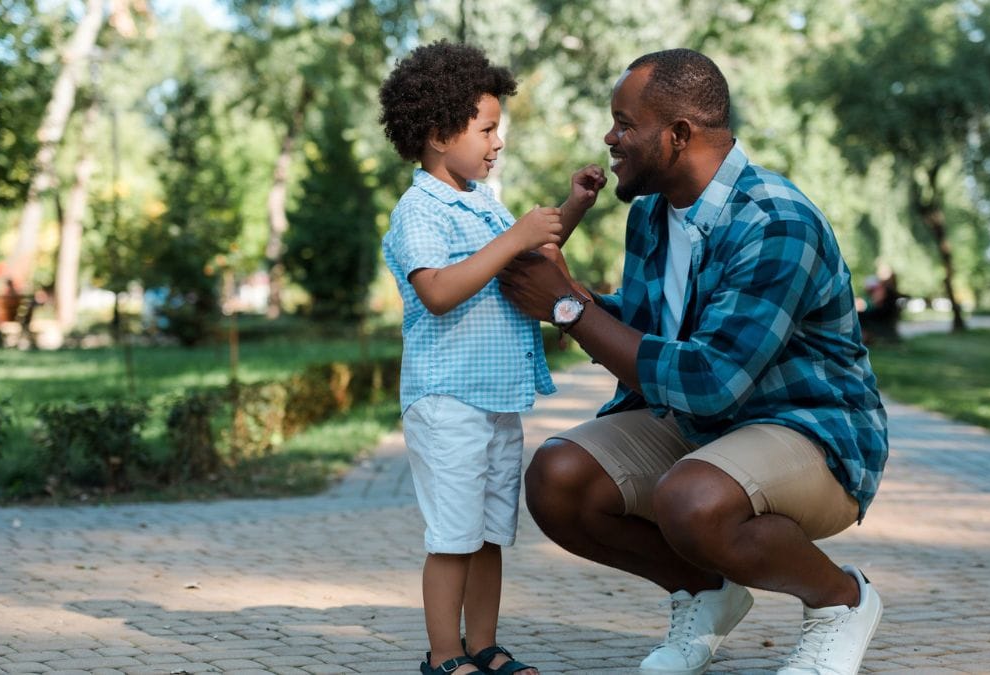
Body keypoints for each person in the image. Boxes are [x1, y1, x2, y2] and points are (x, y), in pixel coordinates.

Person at [497, 48, 889, 675]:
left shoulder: (776, 221)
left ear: (679, 135)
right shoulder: (653, 212)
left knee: (693, 499)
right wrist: (577, 297)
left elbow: (709, 380)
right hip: (705, 427)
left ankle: (841, 601)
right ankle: (708, 592)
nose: (610, 138)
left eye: (624, 123)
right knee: (558, 478)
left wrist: (571, 310)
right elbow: (660, 327)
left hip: (812, 430)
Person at [378, 41, 606, 675]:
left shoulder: (482, 202)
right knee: (452, 537)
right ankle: (444, 655)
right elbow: (440, 291)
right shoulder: (419, 211)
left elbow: (527, 256)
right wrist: (514, 236)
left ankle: (484, 645)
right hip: (447, 397)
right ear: (436, 133)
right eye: (486, 129)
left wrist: (575, 206)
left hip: (496, 397)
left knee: (488, 535)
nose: (496, 142)